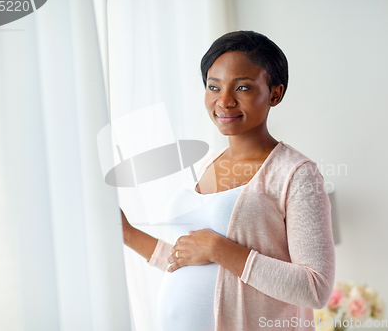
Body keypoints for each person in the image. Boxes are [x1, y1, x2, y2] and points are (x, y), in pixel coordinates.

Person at [121, 30, 335, 331]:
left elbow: (315, 288)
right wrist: (127, 233)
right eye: (213, 87)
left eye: (243, 87)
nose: (224, 101)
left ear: (275, 93)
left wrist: (220, 249)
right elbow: (192, 257)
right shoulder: (209, 163)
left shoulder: (296, 173)